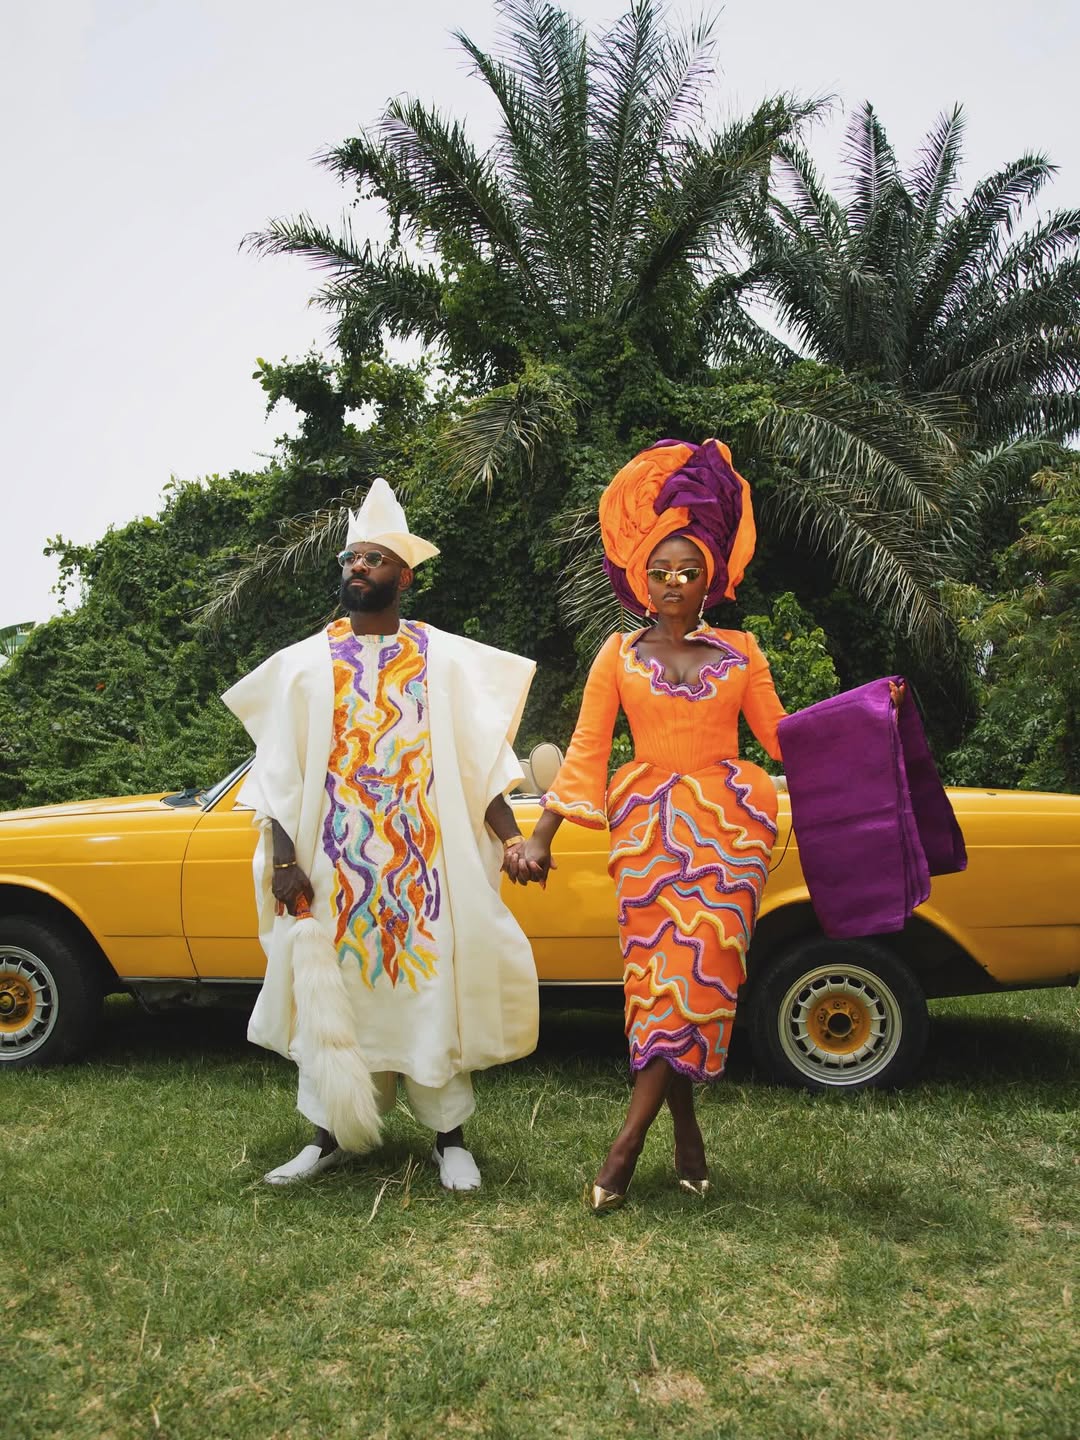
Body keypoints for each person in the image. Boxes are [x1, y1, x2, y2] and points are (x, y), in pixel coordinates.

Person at [223, 477, 540, 1190]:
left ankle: (448, 1139)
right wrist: (282, 862)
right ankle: (327, 1135)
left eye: (371, 559)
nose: (356, 570)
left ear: (404, 574)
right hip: (331, 875)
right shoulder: (304, 665)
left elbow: (482, 765)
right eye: (349, 560)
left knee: (432, 995)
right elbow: (275, 776)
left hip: (425, 875)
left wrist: (514, 837)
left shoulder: (445, 659)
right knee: (333, 998)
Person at [520, 438, 786, 1212]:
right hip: (645, 832)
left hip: (730, 831)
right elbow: (586, 753)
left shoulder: (741, 653)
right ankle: (687, 1133)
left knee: (702, 979)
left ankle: (623, 1149)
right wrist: (542, 834)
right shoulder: (617, 654)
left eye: (689, 571)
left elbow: (783, 740)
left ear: (714, 578)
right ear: (642, 576)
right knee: (658, 987)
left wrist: (869, 717)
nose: (673, 583)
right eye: (661, 571)